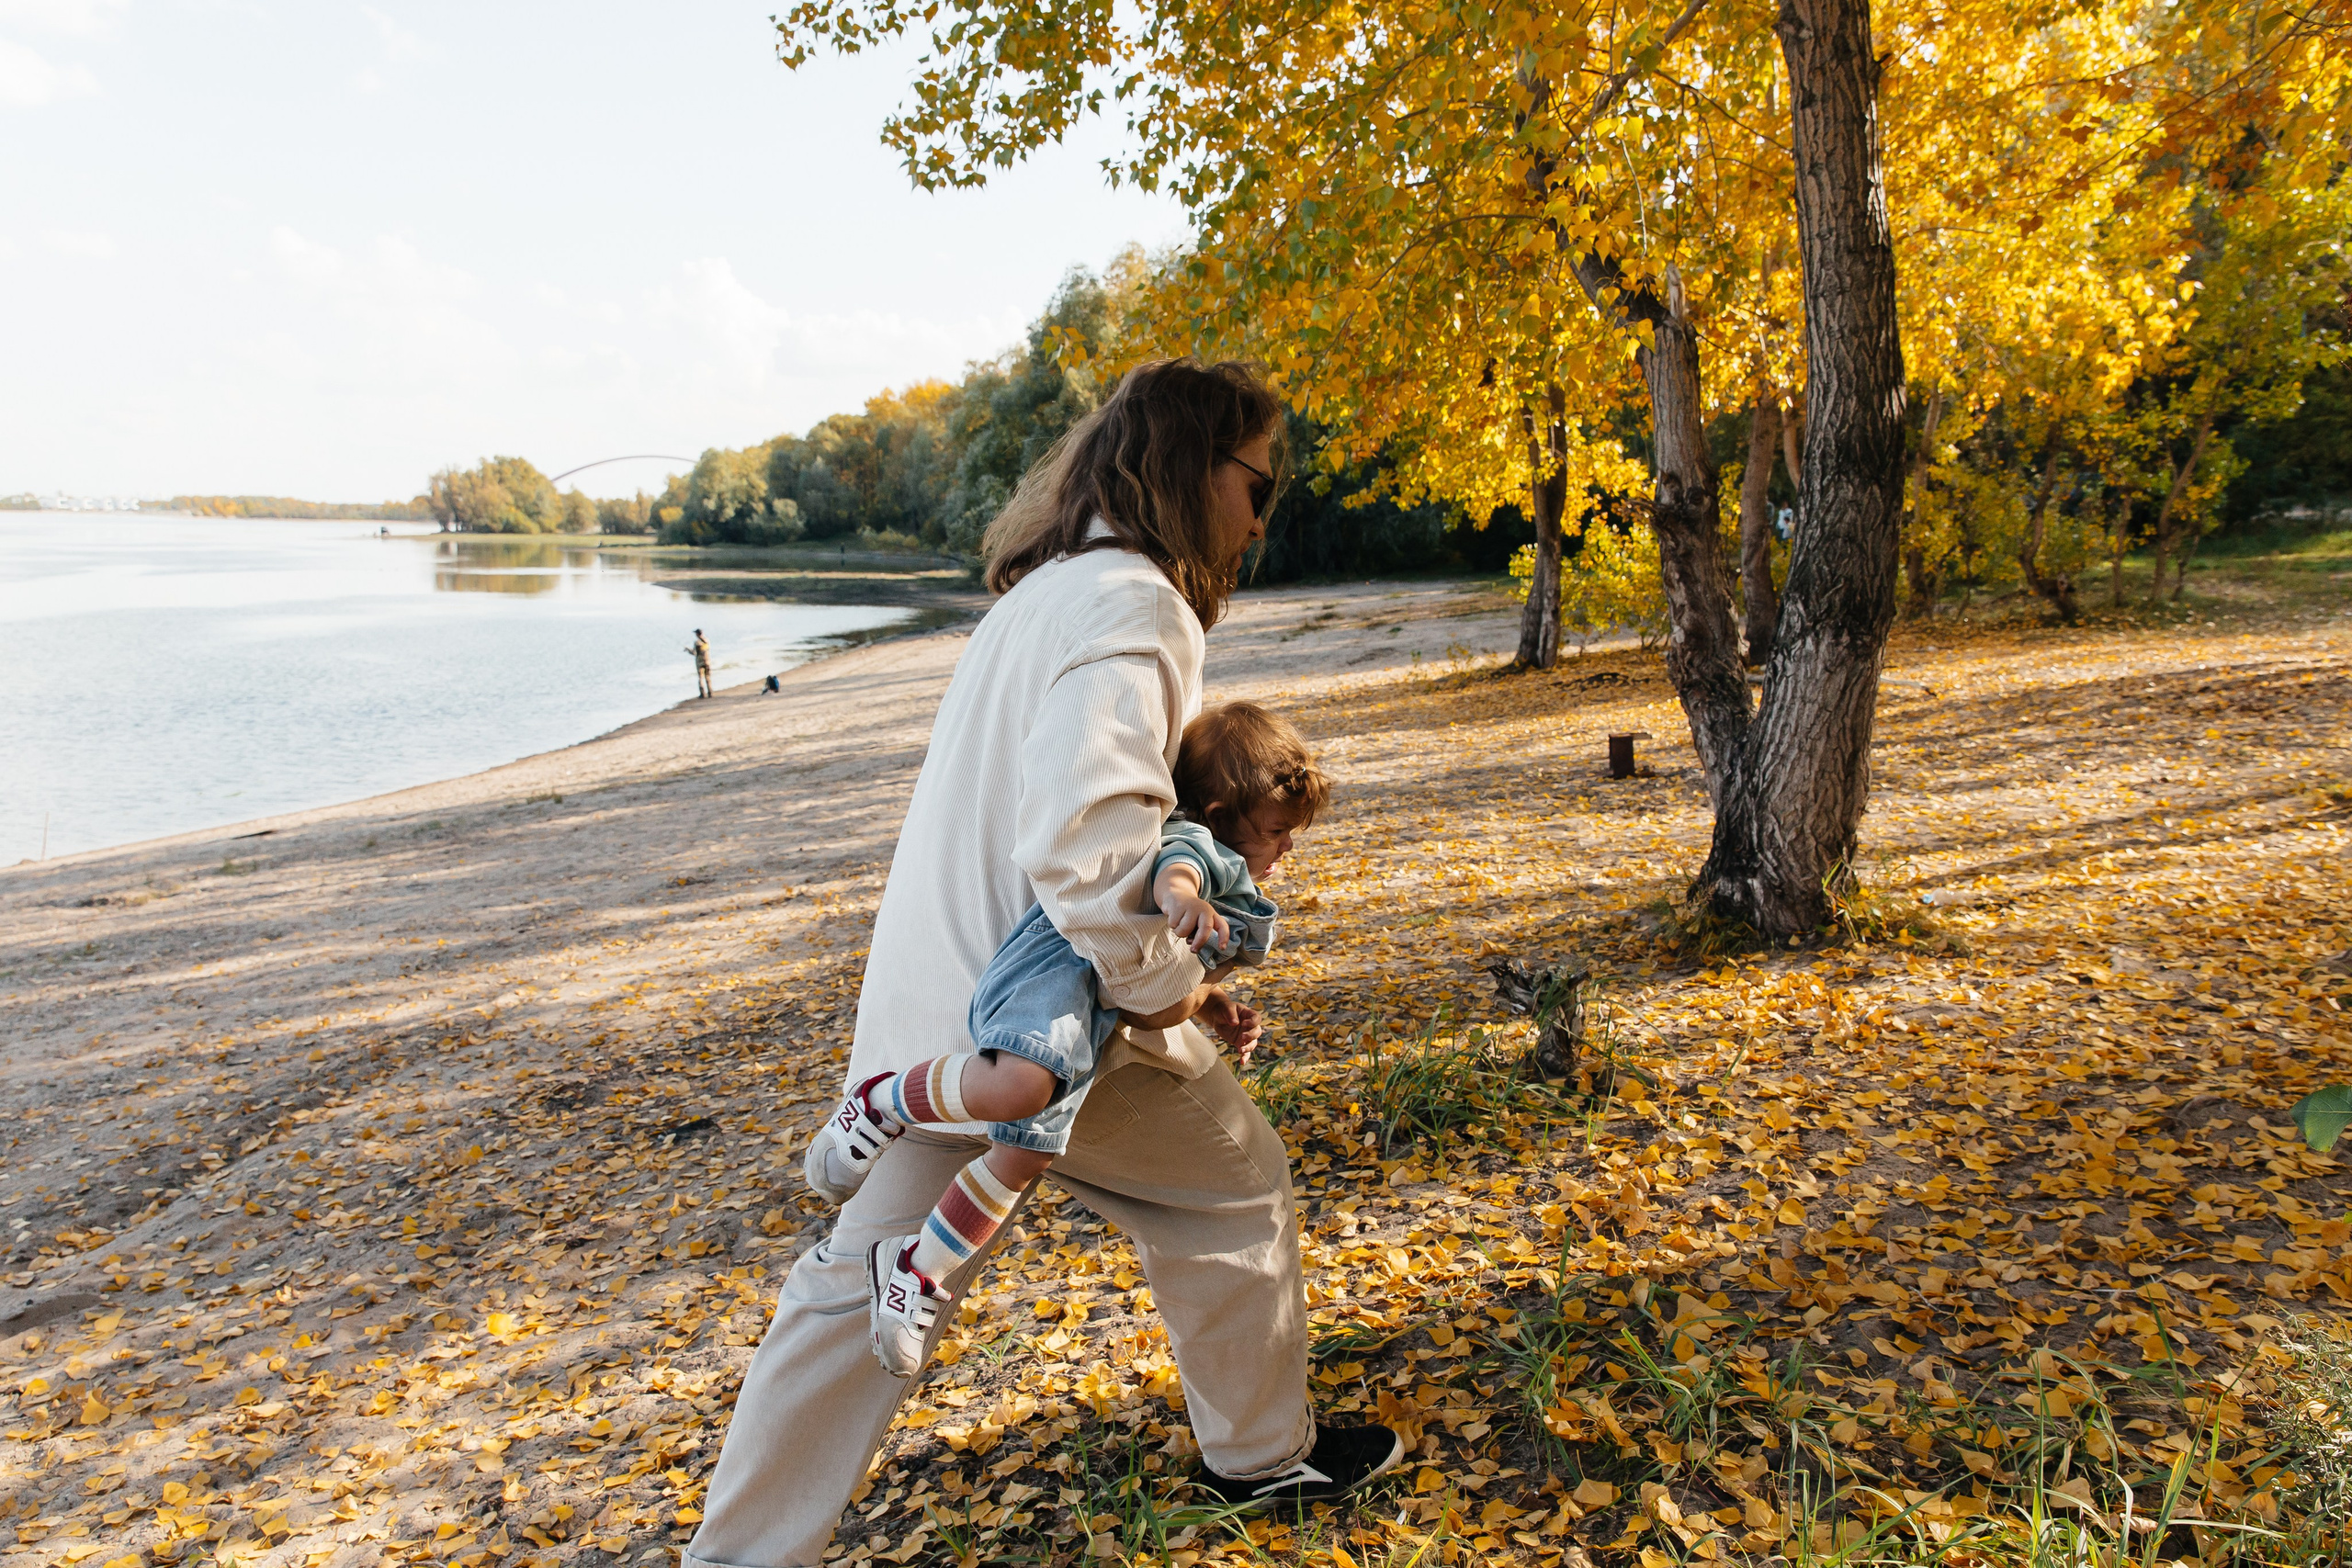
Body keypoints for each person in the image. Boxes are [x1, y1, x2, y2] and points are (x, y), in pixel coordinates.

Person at [684, 360, 1400, 1568]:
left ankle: (737, 1554)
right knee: (1232, 1185)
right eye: (1257, 483)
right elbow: (1088, 843)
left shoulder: (1045, 591)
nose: (1263, 516)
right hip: (1046, 1007)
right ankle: (1261, 1456)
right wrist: (1174, 991)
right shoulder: (1137, 601)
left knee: (857, 1274)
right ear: (1192, 468)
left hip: (939, 999)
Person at [827, 701, 1329, 1379]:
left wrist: (1213, 1005)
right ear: (1217, 815)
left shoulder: (1223, 861)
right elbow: (1174, 872)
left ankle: (915, 1266)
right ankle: (882, 1099)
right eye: (1276, 831)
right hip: (1053, 973)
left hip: (1088, 1019)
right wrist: (1184, 901)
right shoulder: (1199, 848)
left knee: (1020, 1156)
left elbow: (1167, 983)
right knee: (1016, 1087)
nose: (1287, 846)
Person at [688, 629, 713, 699]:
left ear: (697, 634)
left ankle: (702, 693)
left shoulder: (697, 642)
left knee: (700, 678)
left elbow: (695, 653)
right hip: (707, 661)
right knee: (708, 677)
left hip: (700, 662)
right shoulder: (707, 641)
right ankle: (710, 692)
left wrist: (688, 650)